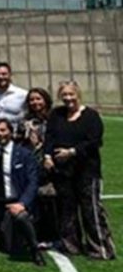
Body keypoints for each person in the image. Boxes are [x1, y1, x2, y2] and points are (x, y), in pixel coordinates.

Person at [44, 81, 116, 260]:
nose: (68, 99)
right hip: (63, 172)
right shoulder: (56, 115)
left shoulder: (90, 116)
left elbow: (95, 141)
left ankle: (100, 247)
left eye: (71, 95)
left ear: (78, 95)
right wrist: (47, 156)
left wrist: (72, 152)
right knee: (67, 211)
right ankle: (71, 245)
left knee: (90, 210)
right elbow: (49, 137)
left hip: (86, 171)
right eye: (64, 95)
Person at [0, 117, 44, 266]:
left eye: (3, 130)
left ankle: (34, 250)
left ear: (11, 132)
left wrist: (22, 203)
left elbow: (33, 182)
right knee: (9, 248)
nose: (0, 134)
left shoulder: (24, 154)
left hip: (17, 201)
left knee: (20, 218)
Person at [21, 87, 59, 245]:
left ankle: (56, 235)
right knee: (36, 200)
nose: (35, 102)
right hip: (33, 165)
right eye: (32, 99)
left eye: (38, 98)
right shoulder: (26, 121)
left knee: (52, 201)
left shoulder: (56, 118)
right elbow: (21, 143)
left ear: (45, 100)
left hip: (53, 164)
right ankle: (39, 234)